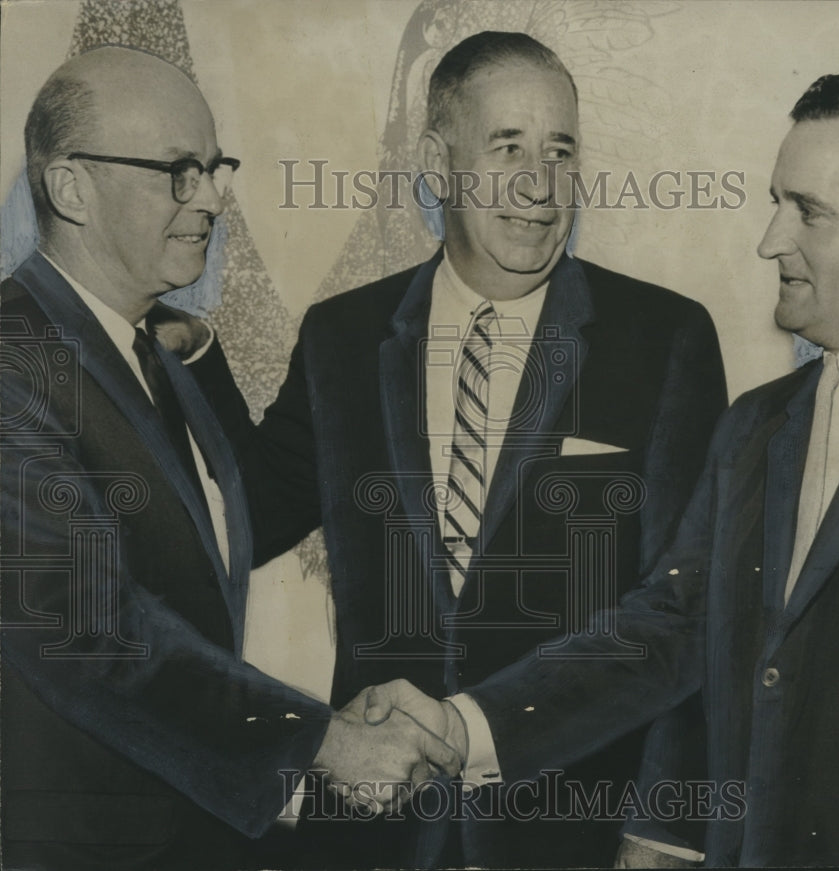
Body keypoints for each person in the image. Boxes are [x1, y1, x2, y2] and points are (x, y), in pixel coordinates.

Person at [363, 71, 839, 866]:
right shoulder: (756, 427)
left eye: (810, 211)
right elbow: (668, 631)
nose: (771, 238)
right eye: (776, 200)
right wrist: (466, 728)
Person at [187, 29, 727, 869]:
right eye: (506, 147)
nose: (539, 187)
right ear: (437, 166)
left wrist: (665, 826)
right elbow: (242, 513)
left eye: (559, 151)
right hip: (373, 833)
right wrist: (192, 360)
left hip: (571, 830)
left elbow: (692, 606)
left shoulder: (664, 339)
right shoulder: (344, 337)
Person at [0, 46, 454, 871]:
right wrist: (325, 741)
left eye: (214, 168)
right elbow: (87, 632)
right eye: (178, 170)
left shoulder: (162, 357)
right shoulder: (13, 359)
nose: (212, 197)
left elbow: (239, 520)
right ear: (70, 187)